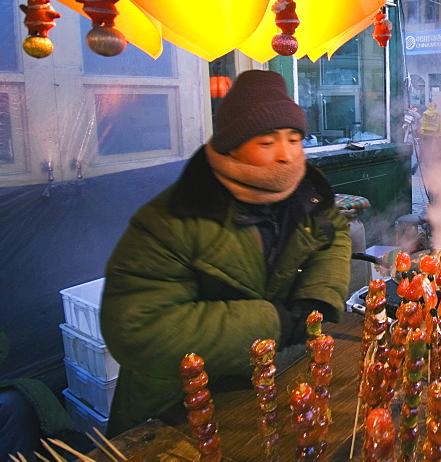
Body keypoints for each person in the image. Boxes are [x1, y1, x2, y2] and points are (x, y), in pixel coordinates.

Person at [101, 70, 352, 435]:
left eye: (295, 139)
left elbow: (334, 235)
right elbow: (136, 328)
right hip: (176, 405)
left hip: (265, 385)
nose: (286, 155)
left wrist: (318, 296)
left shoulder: (307, 198)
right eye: (267, 143)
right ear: (231, 146)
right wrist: (275, 323)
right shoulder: (173, 218)